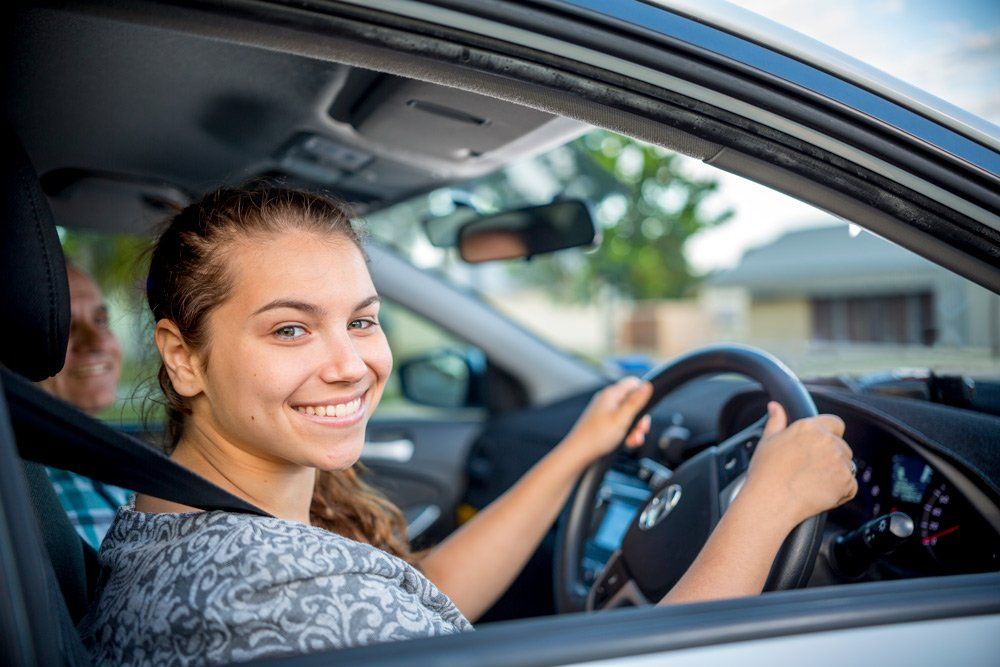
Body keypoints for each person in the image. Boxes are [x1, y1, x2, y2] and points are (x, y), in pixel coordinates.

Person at [81, 186, 857, 665]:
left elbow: (420, 595)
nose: (350, 364)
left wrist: (578, 450)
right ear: (183, 357)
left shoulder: (192, 532)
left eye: (362, 320)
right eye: (290, 329)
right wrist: (765, 505)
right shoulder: (268, 598)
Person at [39, 262, 129, 551]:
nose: (97, 341)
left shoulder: (121, 460)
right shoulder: (30, 492)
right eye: (63, 327)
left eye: (101, 320)